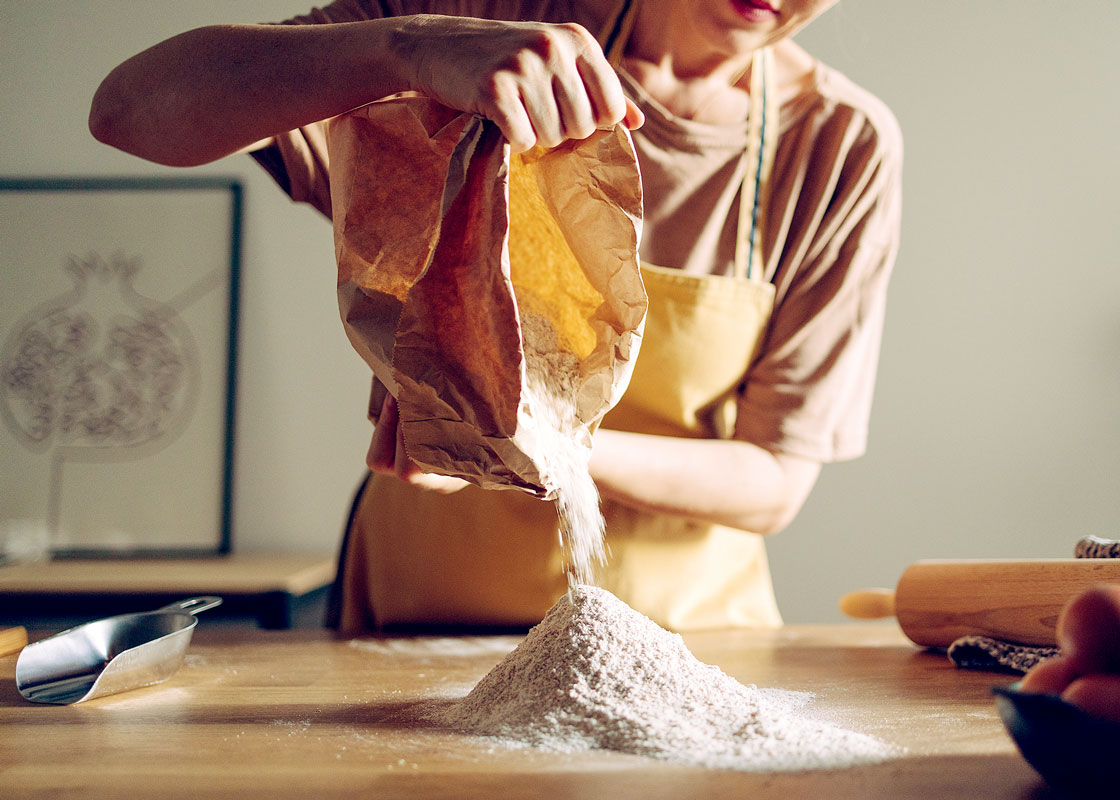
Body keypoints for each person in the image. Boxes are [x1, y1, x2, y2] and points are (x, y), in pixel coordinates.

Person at [90, 0, 902, 633]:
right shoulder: (470, 25)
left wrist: (537, 441)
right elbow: (129, 111)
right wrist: (405, 47)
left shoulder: (838, 144)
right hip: (414, 625)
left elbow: (772, 482)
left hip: (685, 642)